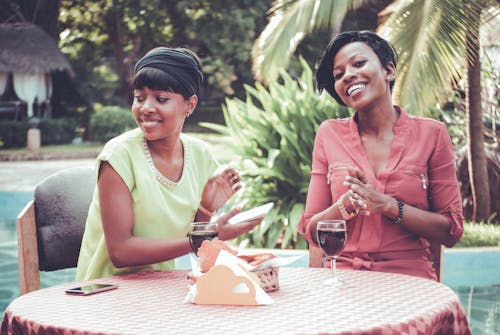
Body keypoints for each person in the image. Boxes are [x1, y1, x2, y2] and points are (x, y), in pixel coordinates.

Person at [76, 47, 261, 280]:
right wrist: (208, 236)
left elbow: (195, 243)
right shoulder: (119, 156)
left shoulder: (200, 154)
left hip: (159, 288)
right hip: (106, 291)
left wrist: (205, 210)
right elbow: (120, 252)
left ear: (190, 105)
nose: (145, 108)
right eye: (139, 98)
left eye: (161, 99)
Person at [298, 31, 464, 281]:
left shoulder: (432, 134)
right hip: (345, 279)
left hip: (409, 279)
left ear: (389, 71)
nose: (348, 76)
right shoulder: (329, 134)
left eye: (358, 63)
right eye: (339, 74)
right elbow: (311, 229)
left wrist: (387, 205)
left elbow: (451, 230)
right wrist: (346, 204)